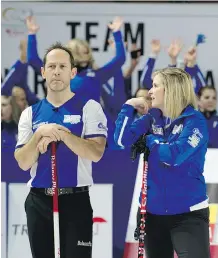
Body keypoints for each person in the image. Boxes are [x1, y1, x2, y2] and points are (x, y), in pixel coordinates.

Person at [14, 42, 107, 258]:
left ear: (73, 72)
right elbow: (23, 162)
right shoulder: (30, 113)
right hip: (39, 202)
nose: (57, 71)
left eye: (63, 67)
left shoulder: (89, 107)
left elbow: (96, 153)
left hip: (75, 201)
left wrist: (63, 135)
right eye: (52, 66)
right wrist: (39, 135)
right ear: (43, 72)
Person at [114, 67, 210, 258]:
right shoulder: (151, 118)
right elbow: (120, 141)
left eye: (155, 85)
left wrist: (150, 141)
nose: (150, 91)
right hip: (152, 215)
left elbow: (174, 156)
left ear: (171, 90)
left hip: (188, 215)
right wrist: (128, 106)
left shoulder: (194, 121)